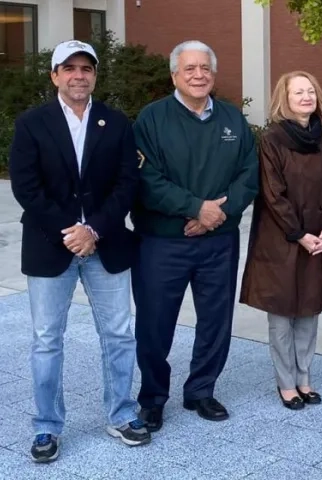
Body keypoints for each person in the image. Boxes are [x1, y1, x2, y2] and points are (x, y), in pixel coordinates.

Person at [9, 40, 151, 462]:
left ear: (94, 75)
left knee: (119, 335)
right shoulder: (32, 123)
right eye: (68, 68)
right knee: (46, 339)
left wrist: (93, 229)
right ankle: (47, 427)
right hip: (51, 245)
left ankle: (122, 414)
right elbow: (26, 187)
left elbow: (128, 183)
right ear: (54, 75)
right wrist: (68, 231)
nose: (78, 75)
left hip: (105, 243)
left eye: (86, 68)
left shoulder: (116, 122)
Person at [131, 40, 259, 430]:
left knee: (215, 321)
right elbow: (145, 179)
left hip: (218, 241)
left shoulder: (233, 120)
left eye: (205, 68)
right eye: (190, 68)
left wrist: (215, 214)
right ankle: (153, 398)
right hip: (162, 242)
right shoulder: (151, 120)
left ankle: (201, 390)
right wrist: (193, 207)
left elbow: (250, 174)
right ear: (174, 75)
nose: (198, 74)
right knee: (154, 324)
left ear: (214, 74)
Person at [239, 71, 322, 410]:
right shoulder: (272, 139)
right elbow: (273, 194)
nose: (306, 97)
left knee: (309, 310)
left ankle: (305, 378)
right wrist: (299, 234)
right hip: (281, 239)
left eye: (310, 91)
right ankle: (286, 383)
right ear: (285, 99)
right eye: (298, 92)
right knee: (282, 315)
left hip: (318, 238)